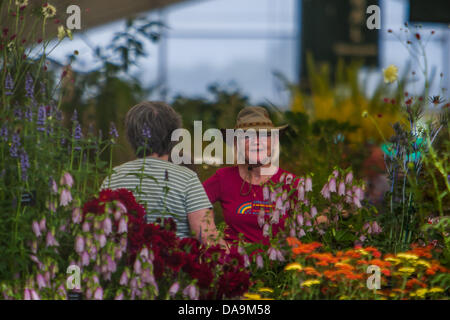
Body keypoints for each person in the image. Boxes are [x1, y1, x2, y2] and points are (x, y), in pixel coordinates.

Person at [101, 101, 225, 247]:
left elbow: (101, 227)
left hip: (123, 264)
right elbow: (207, 236)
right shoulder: (187, 178)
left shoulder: (113, 176)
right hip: (173, 264)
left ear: (131, 136)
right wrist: (239, 264)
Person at [203, 106, 297, 246]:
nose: (257, 141)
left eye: (264, 135)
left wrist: (333, 217)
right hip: (234, 263)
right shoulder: (223, 178)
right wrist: (215, 242)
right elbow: (193, 203)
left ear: (275, 142)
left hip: (280, 264)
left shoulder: (290, 182)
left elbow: (307, 224)